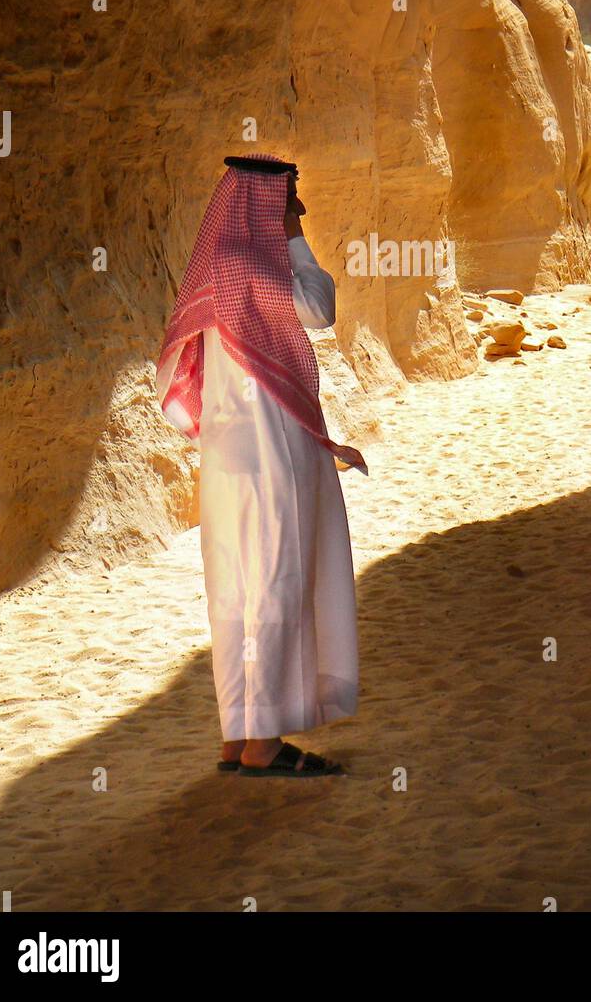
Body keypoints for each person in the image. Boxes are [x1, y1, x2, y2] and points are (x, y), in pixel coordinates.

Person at [155, 152, 367, 777]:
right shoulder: (256, 265)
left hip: (226, 453)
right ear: (267, 199)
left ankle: (237, 734)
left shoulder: (215, 268)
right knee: (276, 582)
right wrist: (299, 240)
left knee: (235, 589)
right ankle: (263, 746)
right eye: (289, 197)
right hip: (274, 450)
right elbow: (319, 310)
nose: (296, 206)